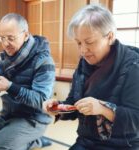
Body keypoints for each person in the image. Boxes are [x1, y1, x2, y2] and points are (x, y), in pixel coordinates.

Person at [43, 4, 139, 150]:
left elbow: (136, 119)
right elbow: (75, 103)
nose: (83, 50)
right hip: (87, 141)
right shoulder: (84, 63)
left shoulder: (133, 66)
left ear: (110, 36)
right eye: (78, 43)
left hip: (123, 145)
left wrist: (103, 109)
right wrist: (59, 107)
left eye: (89, 42)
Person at [0, 13, 55, 150]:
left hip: (33, 119)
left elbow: (41, 100)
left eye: (11, 38)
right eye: (2, 38)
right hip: (8, 115)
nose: (6, 44)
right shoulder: (6, 57)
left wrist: (9, 86)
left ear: (25, 35)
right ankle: (31, 141)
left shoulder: (43, 60)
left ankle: (32, 140)